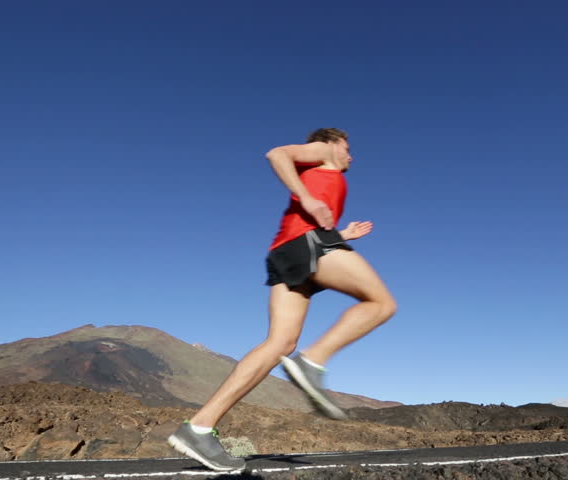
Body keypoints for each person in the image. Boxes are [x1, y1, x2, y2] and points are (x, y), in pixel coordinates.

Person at [167, 128, 397, 471]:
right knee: (381, 304)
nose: (351, 156)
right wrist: (306, 198)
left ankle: (199, 427)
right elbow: (277, 154)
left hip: (289, 252)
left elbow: (310, 219)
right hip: (309, 246)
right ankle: (313, 361)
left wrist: (343, 234)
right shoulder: (321, 150)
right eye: (347, 148)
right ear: (332, 144)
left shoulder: (326, 172)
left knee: (279, 343)